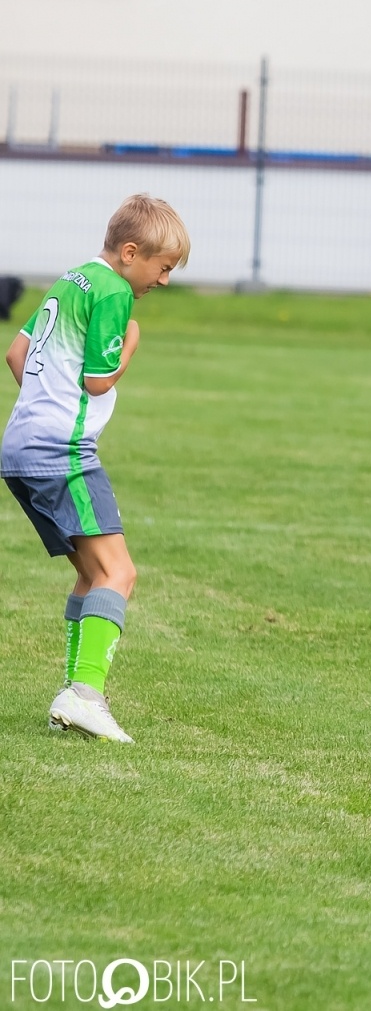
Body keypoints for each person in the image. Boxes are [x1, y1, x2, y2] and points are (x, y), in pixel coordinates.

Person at [2, 193, 190, 743]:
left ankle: (74, 692)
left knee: (90, 573)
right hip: (63, 452)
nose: (165, 279)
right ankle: (84, 694)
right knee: (119, 573)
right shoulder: (113, 291)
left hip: (20, 446)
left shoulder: (73, 278)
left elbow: (16, 355)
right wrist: (131, 345)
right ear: (131, 253)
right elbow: (96, 380)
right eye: (164, 267)